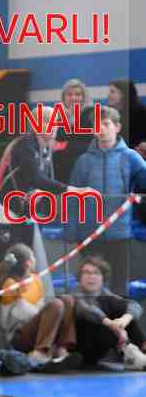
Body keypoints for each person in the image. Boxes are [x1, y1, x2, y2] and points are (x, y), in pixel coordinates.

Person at [69, 106, 146, 296]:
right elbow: (72, 198)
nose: (101, 129)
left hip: (119, 234)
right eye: (97, 125)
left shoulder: (131, 157)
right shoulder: (83, 160)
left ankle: (118, 315)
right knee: (90, 287)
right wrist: (72, 230)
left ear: (117, 127)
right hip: (90, 234)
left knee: (119, 287)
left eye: (106, 124)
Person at [0, 243, 79, 368]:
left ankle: (62, 349)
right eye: (33, 257)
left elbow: (41, 310)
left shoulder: (35, 280)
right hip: (17, 336)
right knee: (56, 304)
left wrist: (47, 317)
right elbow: (5, 323)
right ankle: (39, 353)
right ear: (29, 263)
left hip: (37, 330)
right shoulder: (10, 284)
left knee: (67, 300)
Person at [72, 257, 146, 369]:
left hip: (100, 345)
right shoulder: (75, 295)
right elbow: (87, 310)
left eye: (96, 273)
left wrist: (124, 320)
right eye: (86, 272)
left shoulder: (107, 296)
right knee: (98, 315)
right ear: (80, 277)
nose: (91, 276)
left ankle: (141, 350)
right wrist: (112, 324)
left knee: (123, 309)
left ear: (103, 278)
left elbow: (135, 305)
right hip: (81, 348)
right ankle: (129, 352)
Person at [54, 78, 95, 183]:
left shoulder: (91, 114)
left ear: (84, 97)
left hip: (84, 169)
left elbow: (93, 145)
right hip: (60, 171)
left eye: (78, 94)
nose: (73, 98)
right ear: (63, 97)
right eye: (69, 94)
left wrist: (66, 145)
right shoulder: (57, 116)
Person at [108, 79, 146, 157]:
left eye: (113, 92)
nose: (108, 95)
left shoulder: (141, 113)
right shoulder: (107, 114)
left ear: (124, 94)